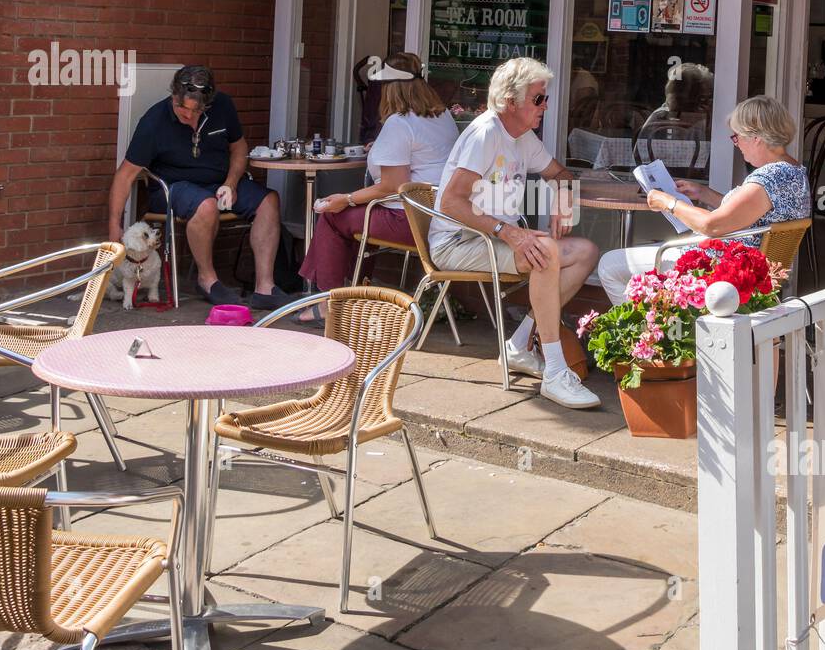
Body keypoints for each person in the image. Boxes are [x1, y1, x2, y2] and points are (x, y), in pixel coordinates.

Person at [431, 56, 601, 410]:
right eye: (538, 98)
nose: (546, 105)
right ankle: (555, 371)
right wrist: (509, 232)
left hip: (490, 239)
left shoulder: (522, 137)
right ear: (510, 101)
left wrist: (563, 201)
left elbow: (561, 175)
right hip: (457, 242)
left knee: (585, 251)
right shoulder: (486, 133)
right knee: (544, 252)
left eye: (546, 97)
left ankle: (519, 345)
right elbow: (450, 202)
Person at [108, 65, 292, 309]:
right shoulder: (154, 121)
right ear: (174, 95)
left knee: (268, 201)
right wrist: (114, 224)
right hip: (173, 187)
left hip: (219, 182)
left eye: (197, 111)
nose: (189, 116)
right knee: (206, 206)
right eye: (182, 108)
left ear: (208, 103)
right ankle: (207, 279)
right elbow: (125, 175)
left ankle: (265, 287)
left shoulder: (223, 106)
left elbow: (239, 148)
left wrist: (231, 183)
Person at [598, 94, 811, 305]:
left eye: (737, 136)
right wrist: (703, 193)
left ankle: (648, 330)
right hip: (741, 265)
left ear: (755, 138)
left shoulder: (769, 178)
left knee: (608, 265)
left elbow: (712, 225)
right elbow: (747, 213)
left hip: (718, 267)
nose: (736, 144)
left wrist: (669, 203)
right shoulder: (793, 173)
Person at [298, 53, 459, 312]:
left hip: (411, 221)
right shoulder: (443, 117)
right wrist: (380, 148)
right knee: (362, 215)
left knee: (334, 215)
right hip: (440, 216)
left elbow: (390, 187)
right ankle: (356, 289)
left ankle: (327, 305)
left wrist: (347, 199)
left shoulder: (399, 122)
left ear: (390, 89)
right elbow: (422, 155)